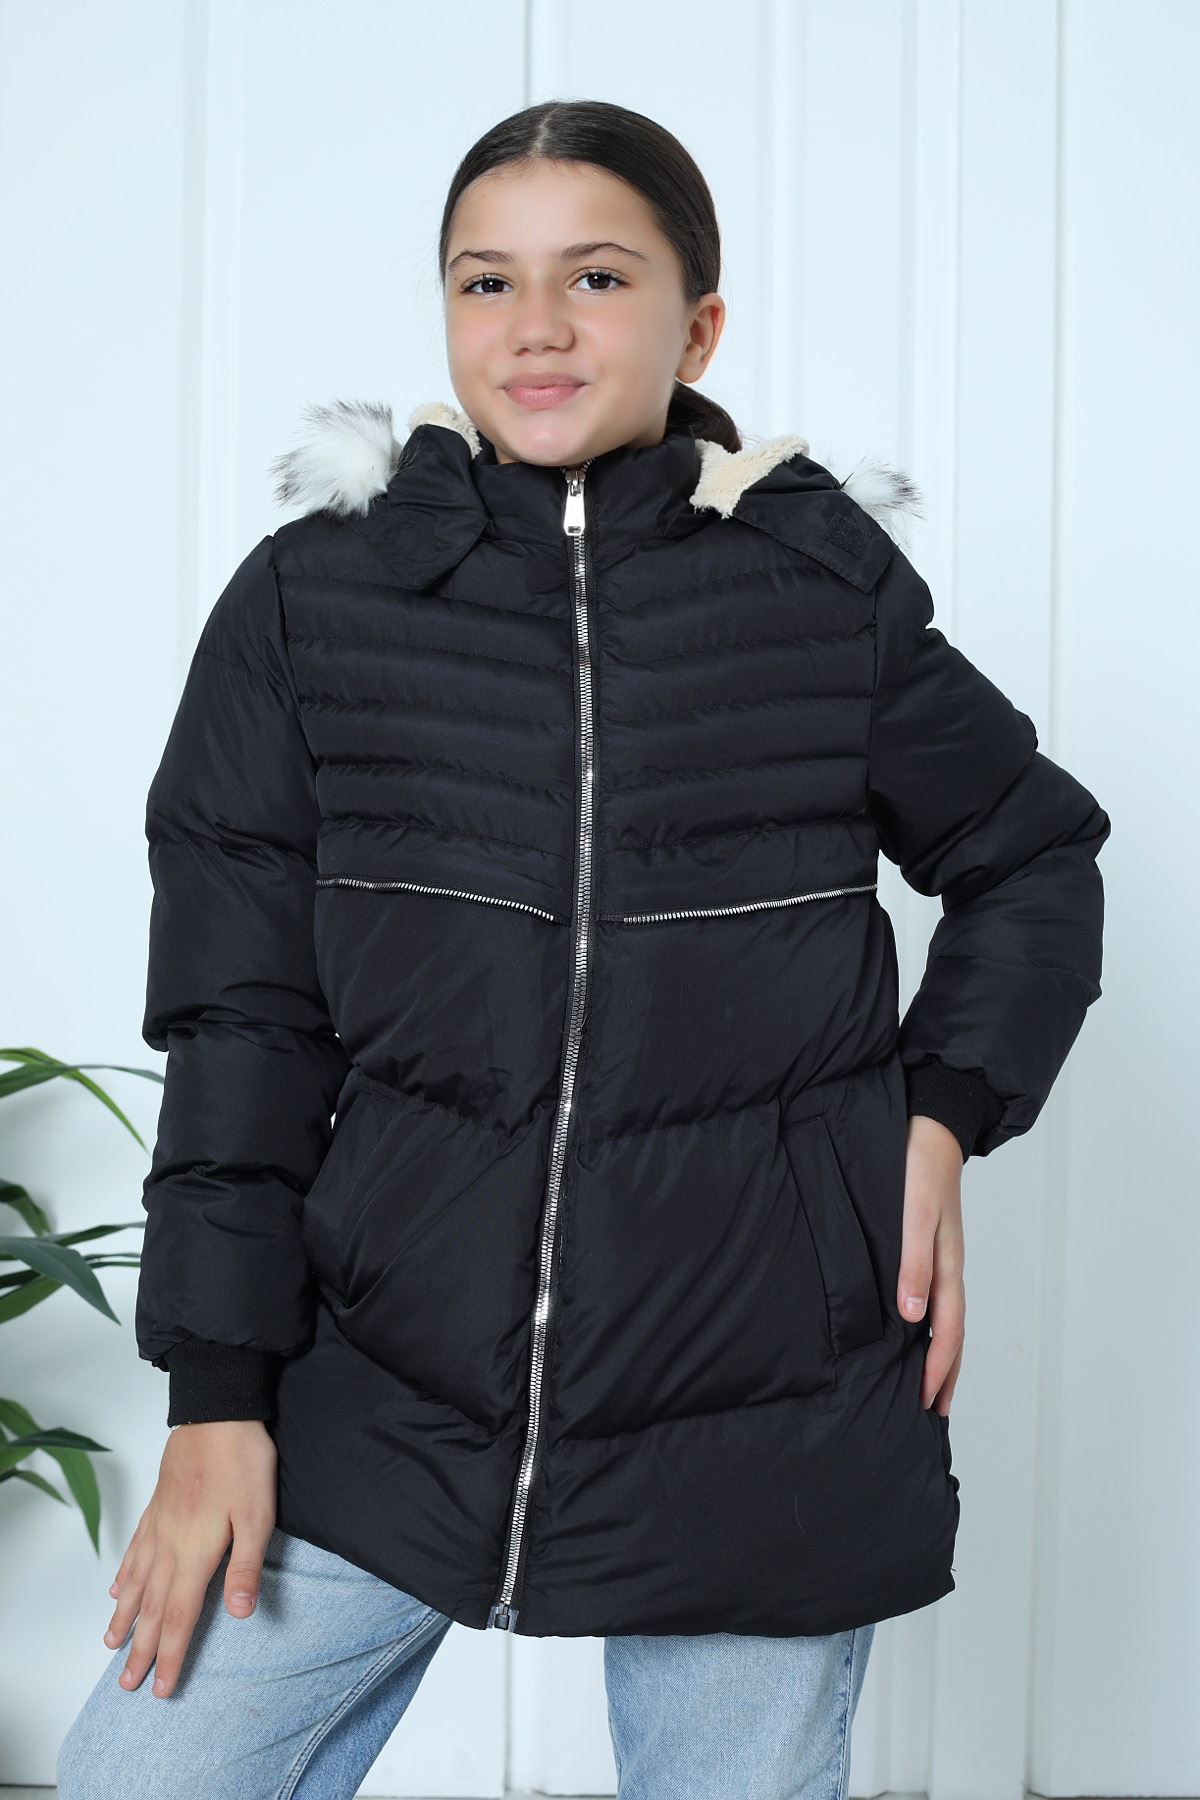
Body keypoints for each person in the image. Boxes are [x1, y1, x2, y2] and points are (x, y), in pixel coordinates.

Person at [57, 97, 1110, 1799]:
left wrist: (944, 1115)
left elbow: (1034, 858)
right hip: (379, 1385)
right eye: (488, 281)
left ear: (699, 326)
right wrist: (216, 1401)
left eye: (597, 277)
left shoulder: (819, 595)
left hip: (765, 1391)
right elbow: (241, 1024)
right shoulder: (313, 604)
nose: (535, 326)